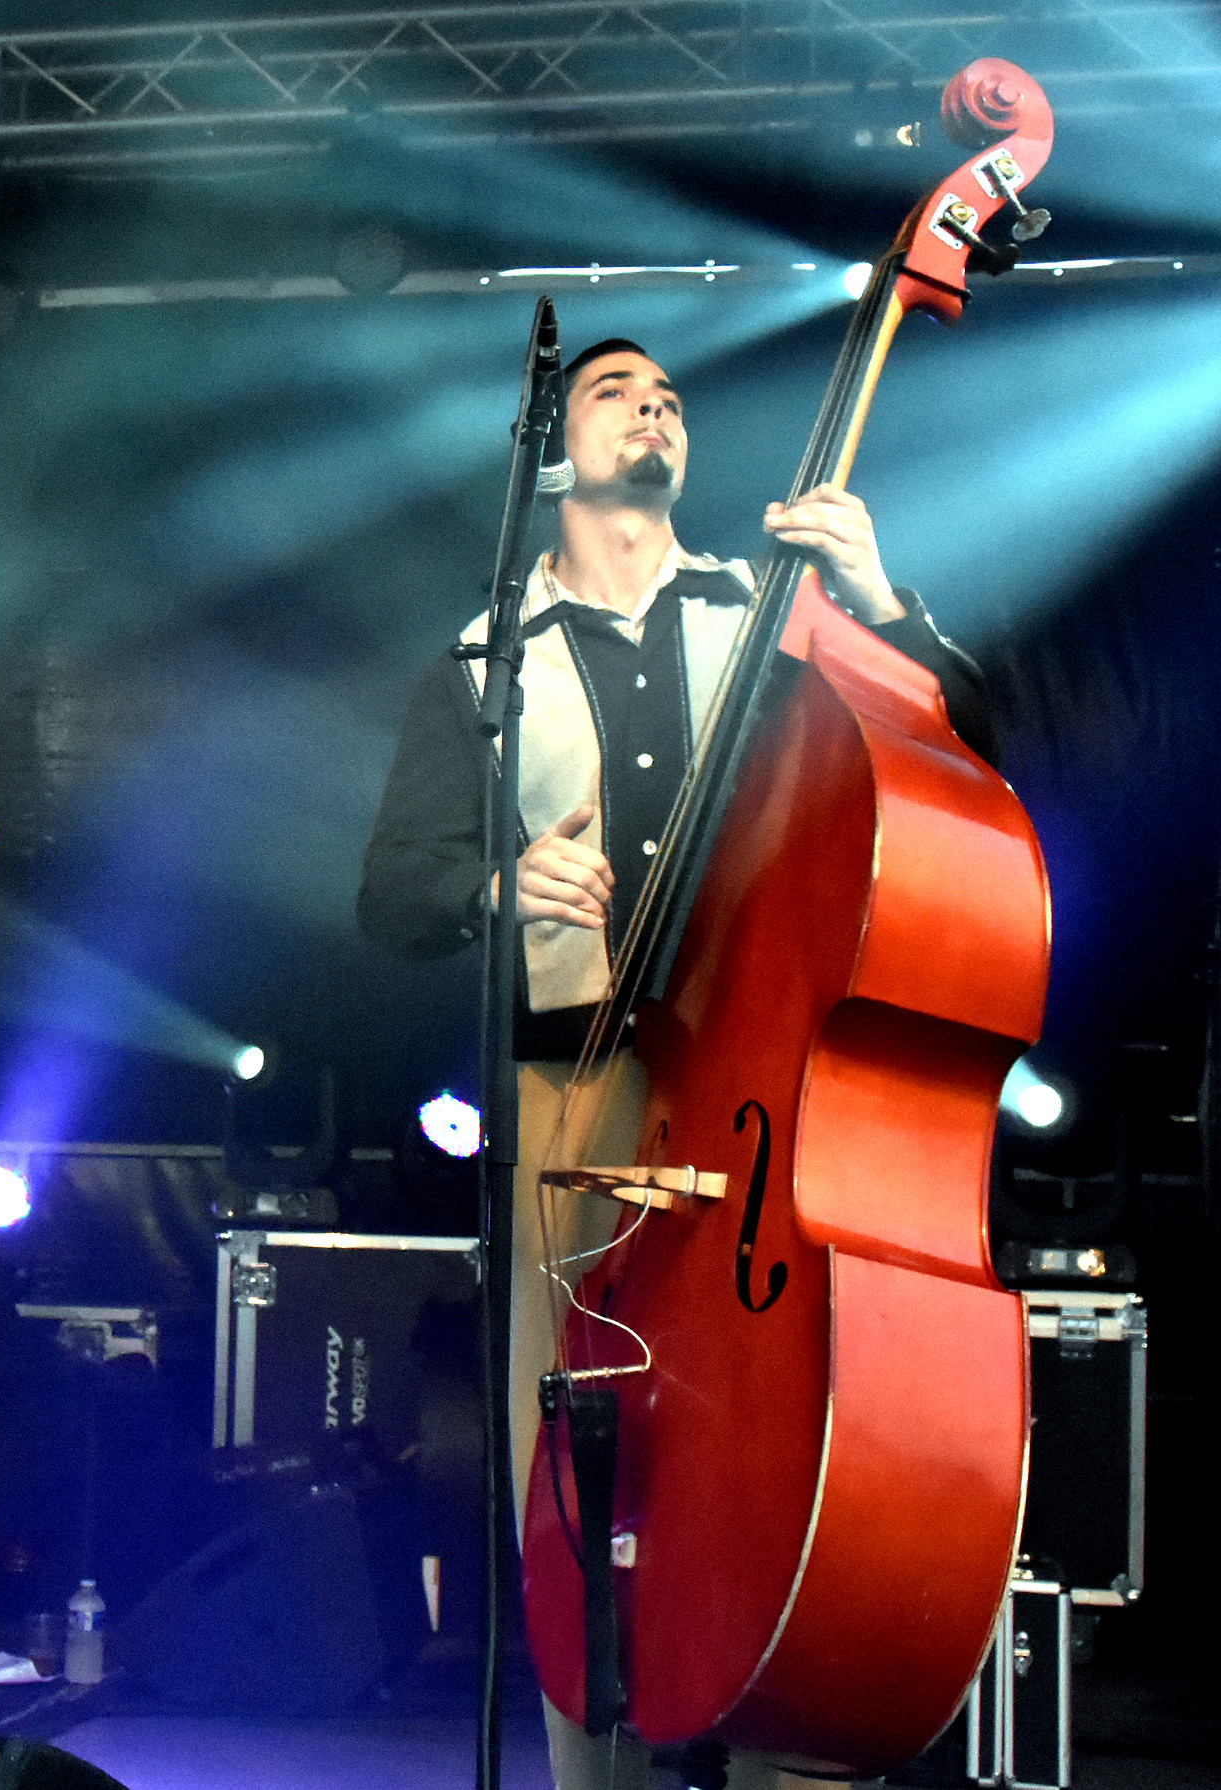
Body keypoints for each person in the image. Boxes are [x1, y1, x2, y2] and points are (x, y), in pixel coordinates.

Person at [356, 342, 995, 1790]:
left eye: (667, 396)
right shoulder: (482, 662)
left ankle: (790, 1747)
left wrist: (884, 596)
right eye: (611, 391)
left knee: (774, 1450)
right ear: (546, 451)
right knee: (574, 1468)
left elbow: (973, 744)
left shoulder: (782, 618)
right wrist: (501, 887)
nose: (650, 405)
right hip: (567, 1092)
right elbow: (389, 893)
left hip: (761, 1084)